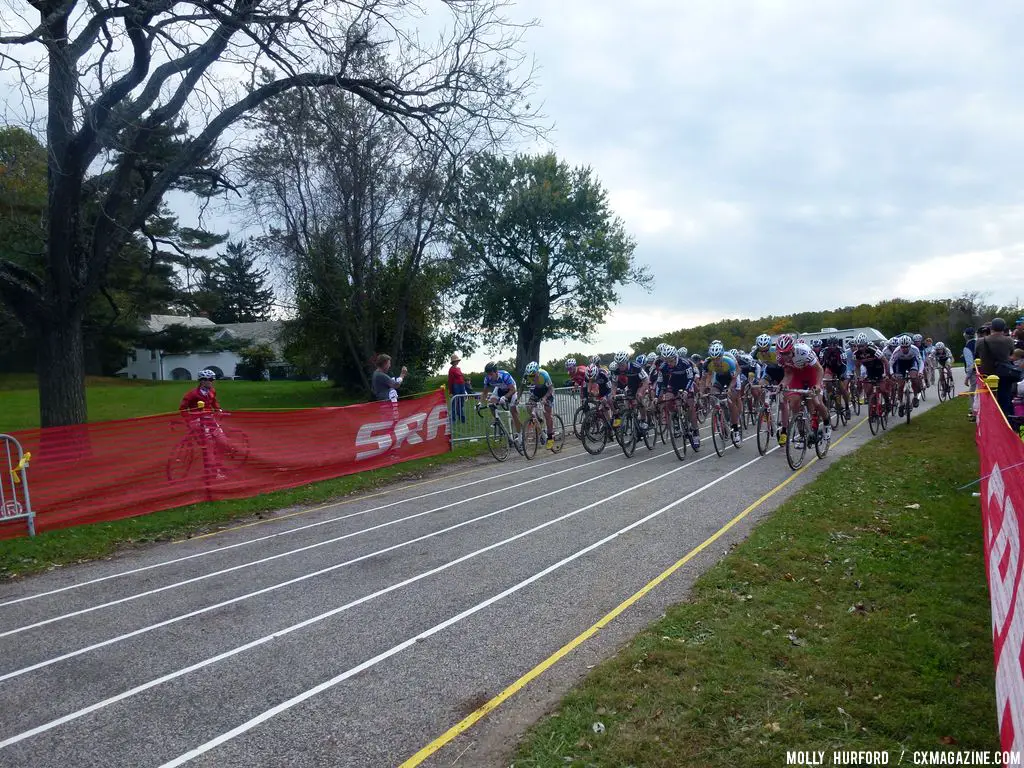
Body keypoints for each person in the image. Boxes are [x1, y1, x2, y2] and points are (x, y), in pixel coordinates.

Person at [179, 369, 231, 481]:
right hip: (198, 421)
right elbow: (183, 409)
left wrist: (219, 410)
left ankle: (218, 465)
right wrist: (190, 421)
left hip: (209, 419)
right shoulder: (192, 394)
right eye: (210, 380)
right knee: (208, 445)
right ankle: (213, 471)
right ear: (202, 381)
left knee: (223, 442)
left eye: (212, 379)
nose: (212, 382)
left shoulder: (212, 391)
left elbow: (214, 402)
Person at [976, 318, 1017, 416]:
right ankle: (1004, 422)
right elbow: (1011, 353)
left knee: (988, 400)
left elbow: (976, 355)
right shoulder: (1009, 340)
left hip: (987, 375)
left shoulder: (981, 341)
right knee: (1004, 401)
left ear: (991, 327)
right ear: (1003, 328)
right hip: (1004, 374)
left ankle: (989, 420)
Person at [447, 353, 468, 424]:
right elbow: (450, 381)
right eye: (456, 360)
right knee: (454, 403)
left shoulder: (459, 368)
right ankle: (453, 419)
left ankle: (462, 418)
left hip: (462, 386)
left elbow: (462, 378)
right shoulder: (451, 369)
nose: (457, 361)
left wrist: (464, 390)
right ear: (453, 362)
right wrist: (450, 392)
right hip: (456, 387)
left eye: (458, 360)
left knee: (461, 403)